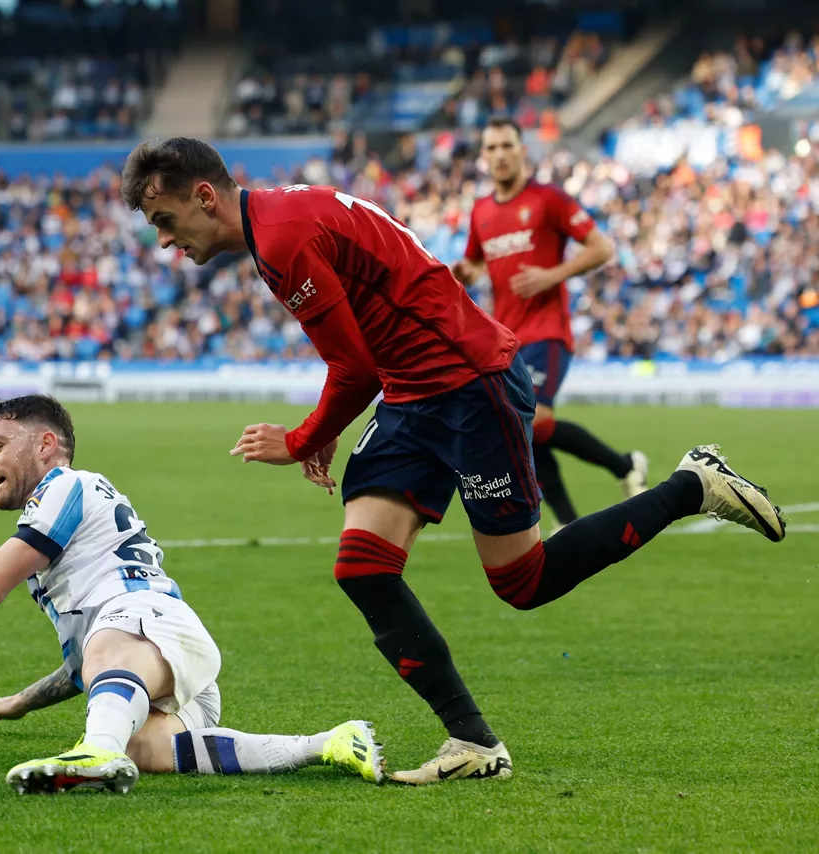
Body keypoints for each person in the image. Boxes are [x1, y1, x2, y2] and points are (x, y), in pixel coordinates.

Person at [119, 137, 786, 785]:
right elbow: (358, 352)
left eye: (164, 221)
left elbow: (354, 368)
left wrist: (298, 439)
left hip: (469, 383)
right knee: (363, 567)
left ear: (204, 196)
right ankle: (473, 741)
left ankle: (690, 485)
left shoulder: (284, 239)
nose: (165, 241)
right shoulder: (278, 220)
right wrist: (326, 426)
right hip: (414, 394)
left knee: (523, 581)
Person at [0, 394, 385, 793]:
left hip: (150, 625)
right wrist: (20, 703)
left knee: (108, 673)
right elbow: (92, 664)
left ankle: (95, 754)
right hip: (166, 654)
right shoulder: (79, 525)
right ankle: (330, 742)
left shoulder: (63, 486)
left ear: (44, 445)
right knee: (144, 747)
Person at [452, 118, 647, 530]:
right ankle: (571, 523)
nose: (500, 154)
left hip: (547, 332)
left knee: (533, 419)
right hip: (505, 340)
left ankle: (623, 465)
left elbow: (602, 247)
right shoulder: (481, 212)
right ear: (483, 157)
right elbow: (474, 262)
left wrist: (552, 274)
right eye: (492, 148)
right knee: (525, 431)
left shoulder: (549, 200)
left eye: (508, 145)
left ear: (523, 150)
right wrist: (467, 273)